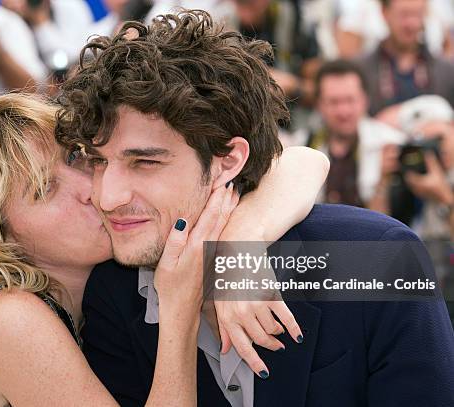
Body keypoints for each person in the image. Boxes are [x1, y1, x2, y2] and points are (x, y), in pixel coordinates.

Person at [54, 10, 454, 406]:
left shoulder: (379, 261)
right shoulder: (112, 293)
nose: (108, 197)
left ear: (228, 161)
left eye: (145, 162)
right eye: (98, 161)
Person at [0, 92, 329, 406]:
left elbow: (301, 161)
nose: (92, 190)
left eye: (76, 158)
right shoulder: (11, 319)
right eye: (42, 190)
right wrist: (178, 309)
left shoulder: (86, 297)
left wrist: (241, 244)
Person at [285, 59, 407, 207]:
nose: (343, 111)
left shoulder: (392, 142)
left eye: (350, 100)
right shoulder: (299, 146)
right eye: (334, 102)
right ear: (318, 104)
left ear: (365, 99)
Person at [357, 0, 454, 117]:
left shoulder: (446, 71)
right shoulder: (361, 70)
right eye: (404, 14)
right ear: (384, 13)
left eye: (417, 14)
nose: (411, 23)